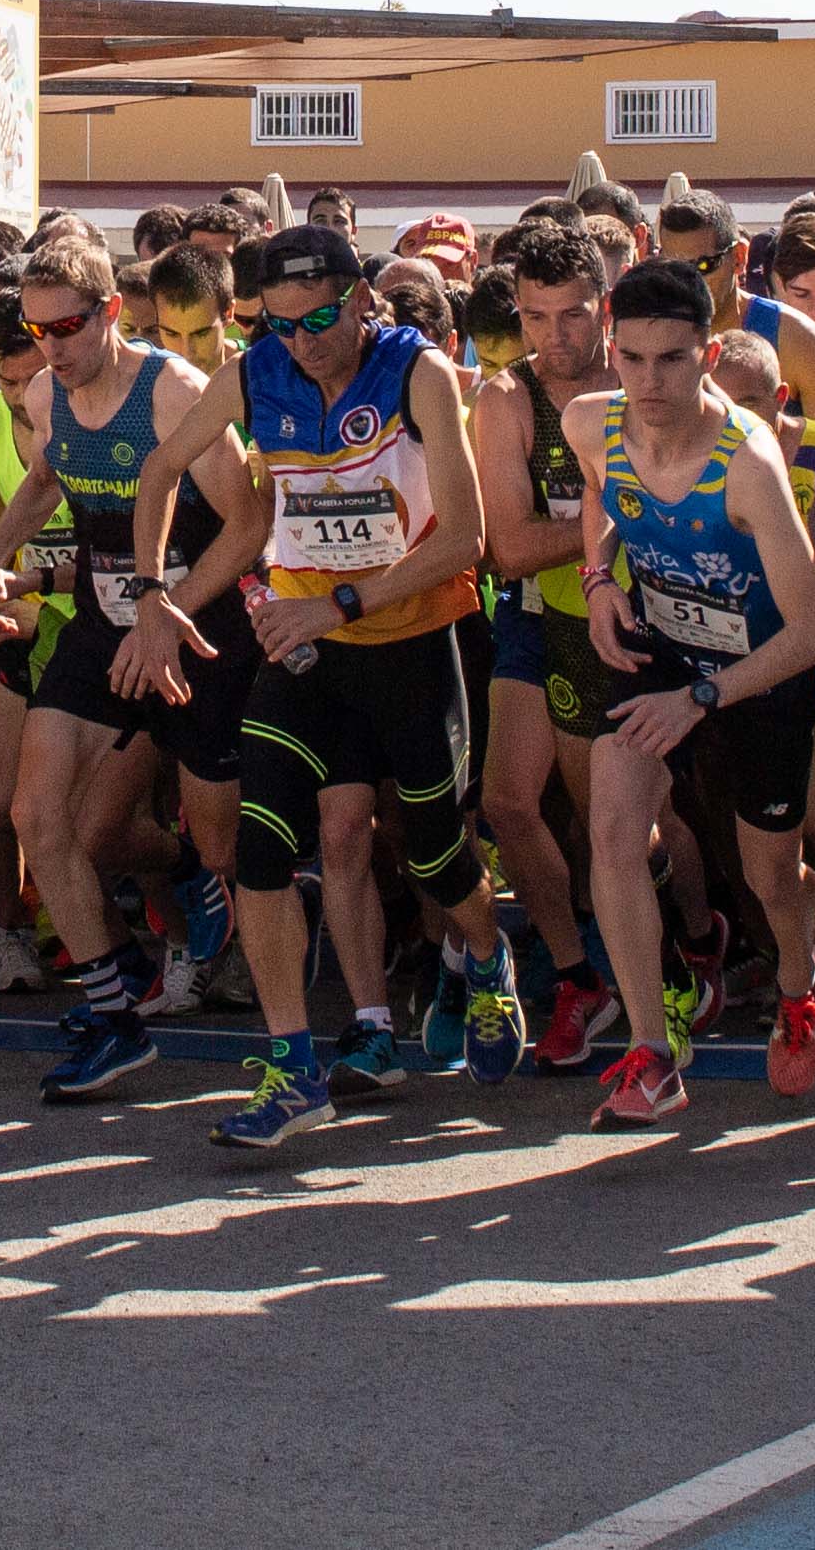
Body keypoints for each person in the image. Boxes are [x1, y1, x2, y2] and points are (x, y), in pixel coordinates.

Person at [123, 218, 528, 1151]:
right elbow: (160, 468)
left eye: (318, 321)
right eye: (279, 325)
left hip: (415, 642)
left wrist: (336, 603)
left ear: (361, 301)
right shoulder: (254, 372)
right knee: (262, 851)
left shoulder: (416, 371)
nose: (301, 343)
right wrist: (154, 594)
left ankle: (488, 949)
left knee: (434, 854)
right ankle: (294, 1066)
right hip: (307, 653)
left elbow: (468, 541)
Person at [0, 228, 257, 1102]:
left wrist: (171, 609)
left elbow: (245, 526)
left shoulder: (177, 393)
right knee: (36, 812)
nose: (53, 346)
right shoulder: (50, 390)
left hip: (199, 626)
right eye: (39, 330)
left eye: (70, 327)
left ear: (112, 314)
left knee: (219, 837)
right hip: (102, 622)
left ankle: (233, 912)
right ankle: (114, 1013)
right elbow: (48, 478)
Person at [573, 257, 815, 1121]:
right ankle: (651, 1053)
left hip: (759, 674)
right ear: (613, 351)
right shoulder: (590, 422)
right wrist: (598, 579)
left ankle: (800, 987)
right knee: (612, 825)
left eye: (674, 360)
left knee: (771, 876)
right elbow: (601, 497)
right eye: (635, 358)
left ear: (710, 352)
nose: (651, 382)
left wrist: (702, 699)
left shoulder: (748, 463)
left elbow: (810, 633)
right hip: (664, 651)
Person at [473, 216, 629, 1069]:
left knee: (629, 822)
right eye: (535, 317)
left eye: (570, 314)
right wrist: (617, 521)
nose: (552, 336)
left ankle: (681, 954)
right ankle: (578, 975)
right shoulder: (506, 397)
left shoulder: (639, 376)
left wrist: (576, 529)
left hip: (637, 619)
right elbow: (509, 545)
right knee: (507, 801)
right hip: (536, 613)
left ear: (603, 307)